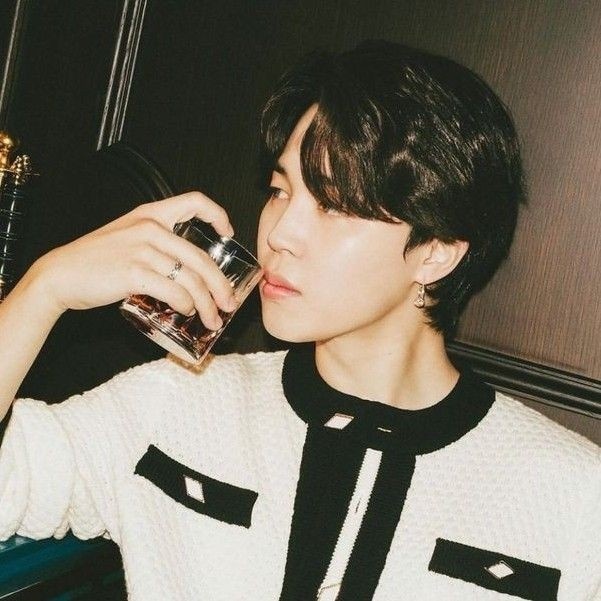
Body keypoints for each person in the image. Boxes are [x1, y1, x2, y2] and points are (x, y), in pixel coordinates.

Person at [0, 40, 599, 601]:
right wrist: (44, 288)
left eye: (333, 205)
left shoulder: (572, 499)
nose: (280, 232)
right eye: (280, 190)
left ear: (436, 252)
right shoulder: (174, 406)